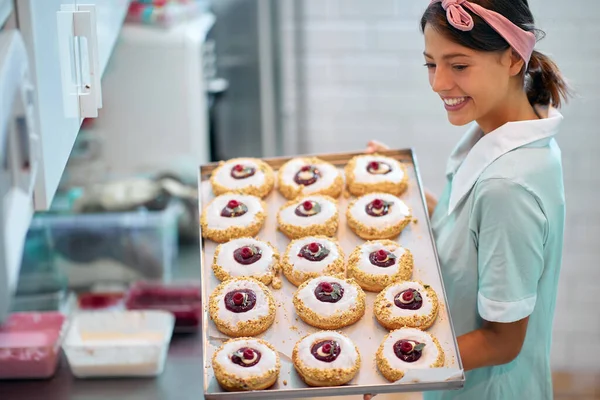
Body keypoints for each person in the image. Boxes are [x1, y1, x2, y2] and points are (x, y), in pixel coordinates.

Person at [364, 0, 570, 399]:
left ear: (512, 59)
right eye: (430, 64)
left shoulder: (509, 187)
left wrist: (391, 363)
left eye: (458, 66)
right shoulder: (507, 131)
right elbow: (472, 237)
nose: (439, 83)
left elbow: (501, 341)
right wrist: (402, 188)